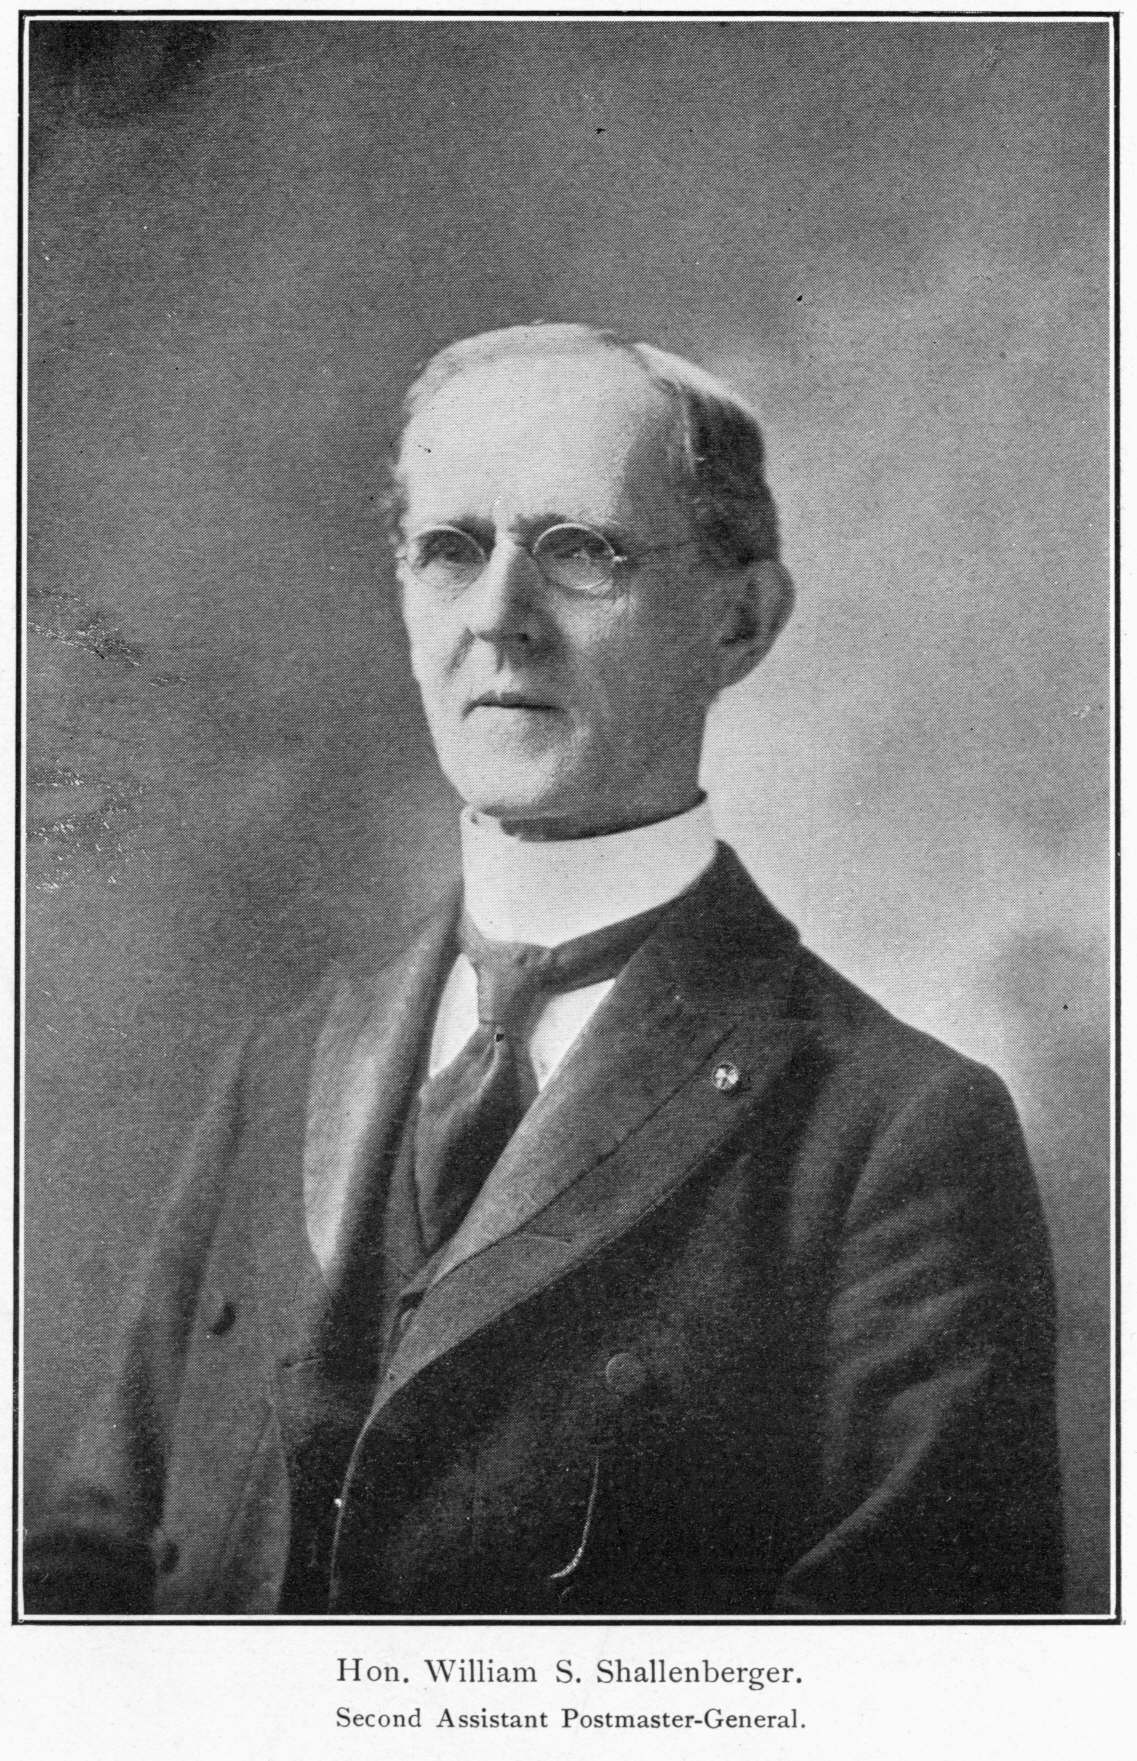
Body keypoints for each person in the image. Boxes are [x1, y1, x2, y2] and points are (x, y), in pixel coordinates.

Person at [24, 322, 1063, 1615]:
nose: (499, 619)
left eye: (580, 551)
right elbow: (86, 1569)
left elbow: (913, 1683)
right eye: (449, 551)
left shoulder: (892, 1132)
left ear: (740, 621)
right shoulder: (280, 1074)